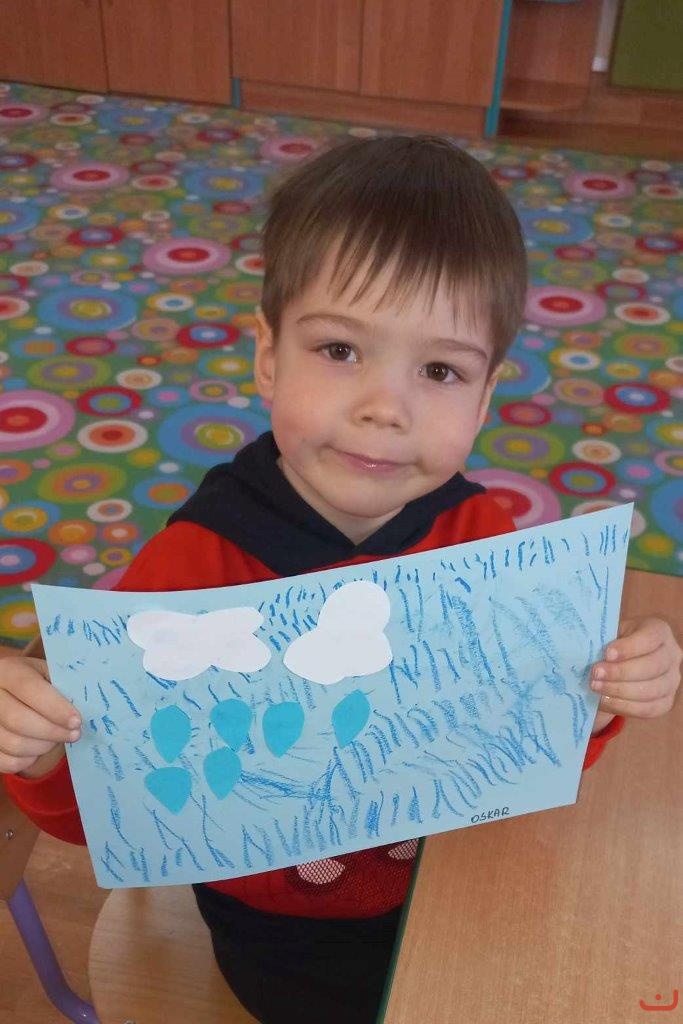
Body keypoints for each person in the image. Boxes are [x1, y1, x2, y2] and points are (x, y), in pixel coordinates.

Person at [1, 136, 681, 1024]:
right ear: (268, 356)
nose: (384, 408)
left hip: (452, 872)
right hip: (279, 932)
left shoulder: (479, 540)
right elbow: (97, 816)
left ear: (484, 398)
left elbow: (519, 745)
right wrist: (42, 753)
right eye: (338, 349)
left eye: (438, 370)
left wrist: (596, 697)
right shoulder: (182, 580)